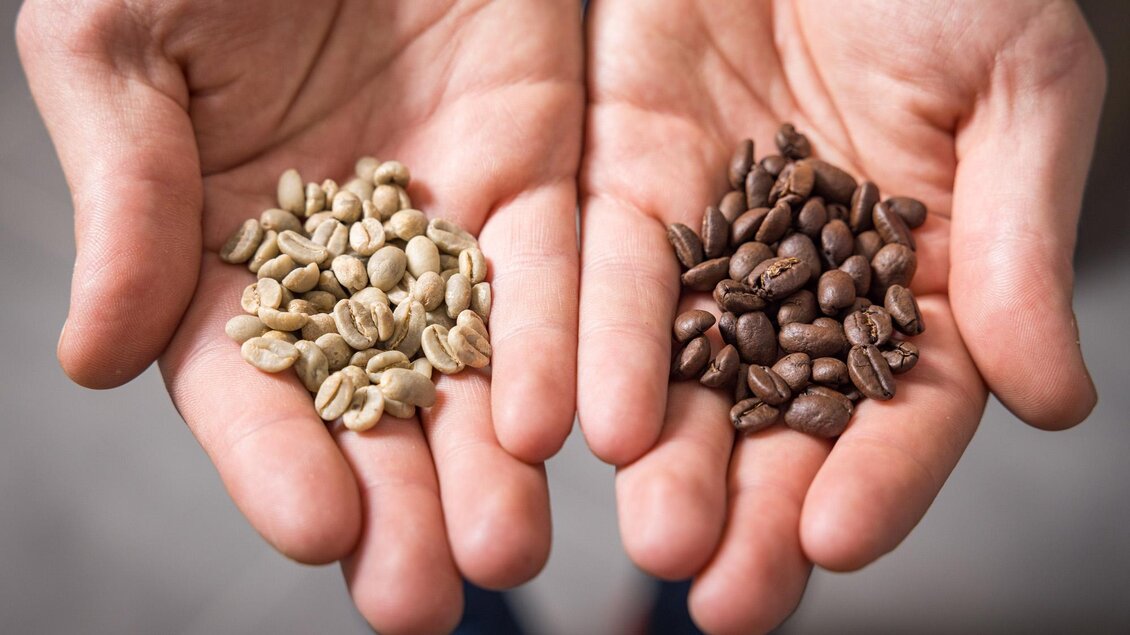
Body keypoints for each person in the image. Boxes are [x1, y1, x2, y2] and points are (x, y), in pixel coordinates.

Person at [17, 1, 1103, 633]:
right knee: (447, 498)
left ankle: (667, 610)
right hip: (441, 44)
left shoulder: (799, 263)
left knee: (703, 475)